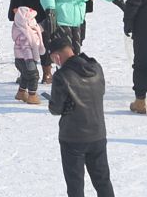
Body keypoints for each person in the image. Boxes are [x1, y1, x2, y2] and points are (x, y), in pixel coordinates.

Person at [48, 31, 116, 197]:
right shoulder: (96, 68)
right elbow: (100, 92)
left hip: (73, 138)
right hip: (98, 134)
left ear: (57, 57)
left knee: (75, 186)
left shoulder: (62, 76)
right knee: (103, 181)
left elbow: (55, 109)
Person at [12, 6, 45, 105]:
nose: (34, 21)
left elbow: (38, 28)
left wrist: (46, 23)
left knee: (25, 76)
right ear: (24, 21)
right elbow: (26, 49)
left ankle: (21, 93)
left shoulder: (30, 29)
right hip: (25, 59)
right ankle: (32, 96)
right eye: (31, 19)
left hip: (24, 60)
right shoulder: (24, 35)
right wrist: (29, 61)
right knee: (34, 76)